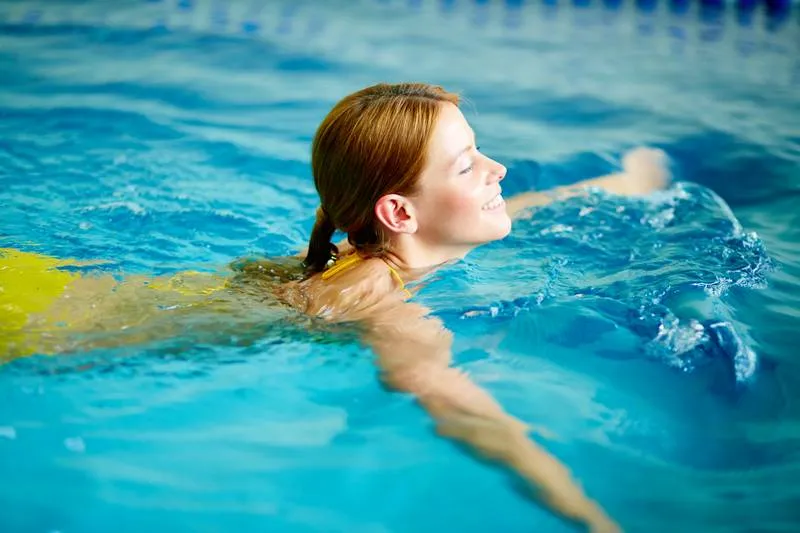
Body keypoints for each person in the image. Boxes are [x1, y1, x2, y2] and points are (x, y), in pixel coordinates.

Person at [1, 82, 669, 532]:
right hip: (45, 326)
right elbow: (466, 414)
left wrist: (621, 185)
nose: (497, 168)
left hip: (49, 284)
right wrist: (589, 517)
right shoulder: (380, 296)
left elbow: (518, 208)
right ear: (400, 212)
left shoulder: (380, 244)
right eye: (468, 165)